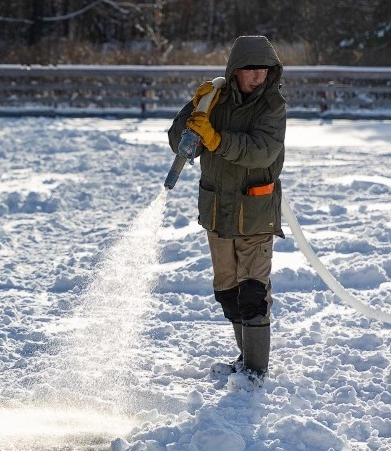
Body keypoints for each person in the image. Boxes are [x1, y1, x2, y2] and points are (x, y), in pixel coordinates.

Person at [167, 35, 286, 382]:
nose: (258, 77)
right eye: (251, 71)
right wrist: (196, 107)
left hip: (255, 212)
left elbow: (262, 150)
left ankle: (255, 371)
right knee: (227, 291)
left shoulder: (273, 106)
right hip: (218, 211)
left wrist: (217, 140)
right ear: (235, 71)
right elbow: (180, 145)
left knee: (253, 291)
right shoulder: (214, 101)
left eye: (264, 71)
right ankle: (245, 357)